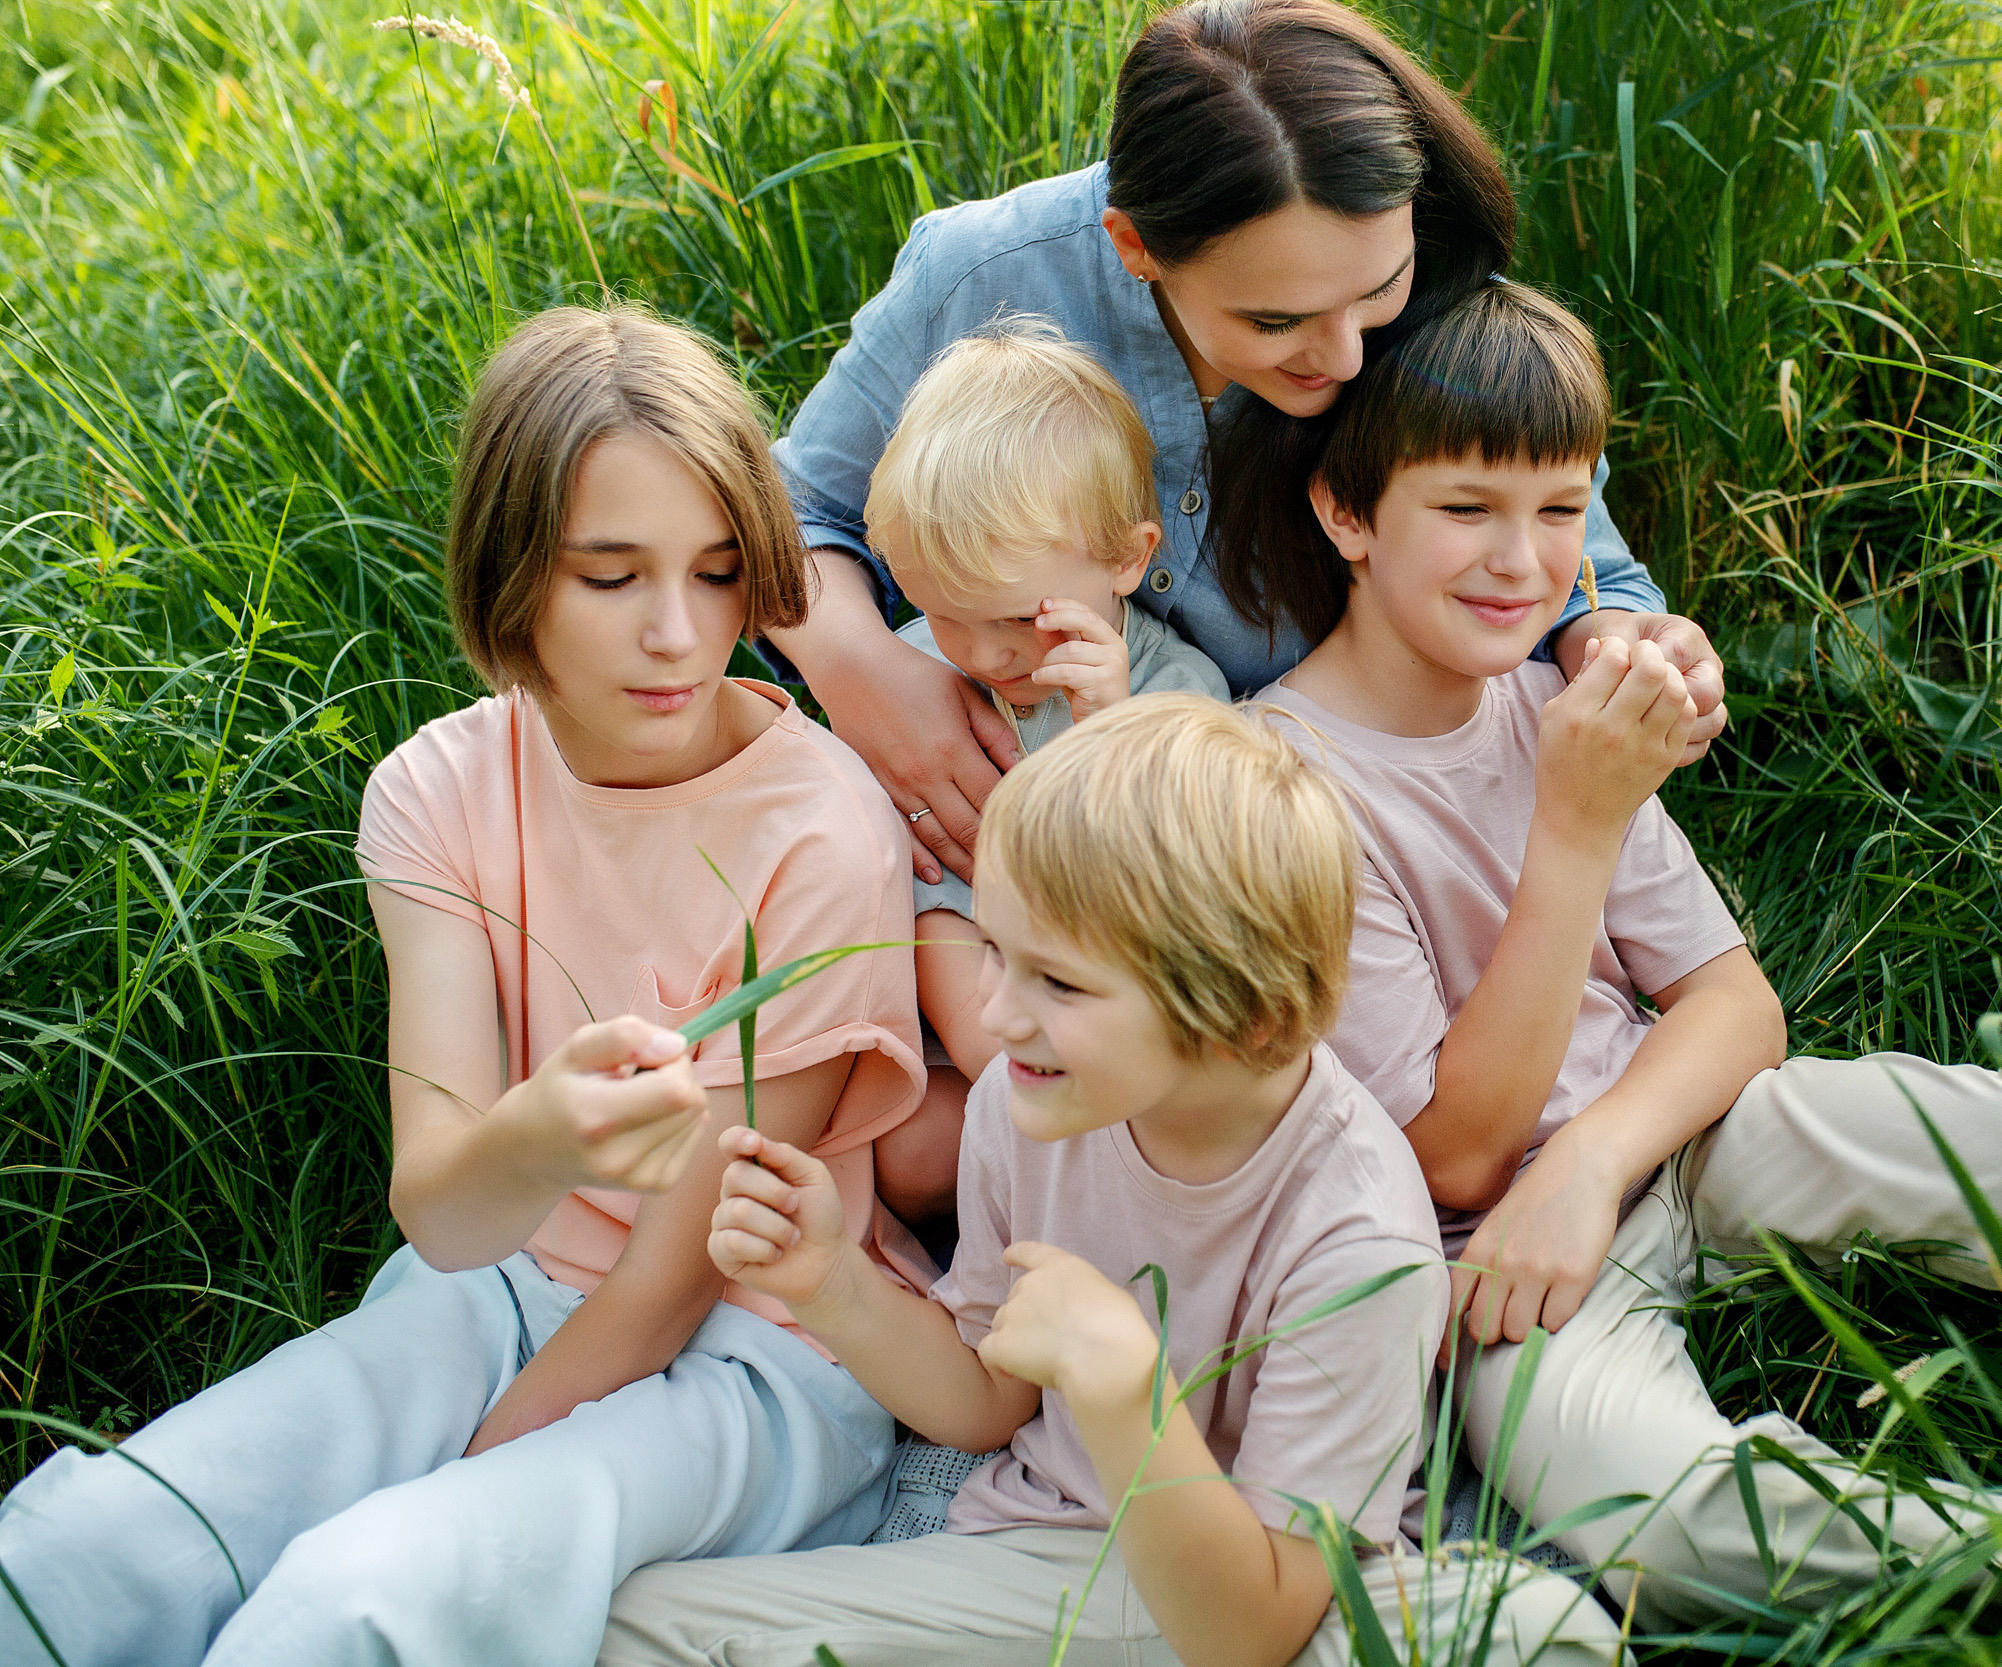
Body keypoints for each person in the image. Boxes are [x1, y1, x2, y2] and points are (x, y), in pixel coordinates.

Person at [1223, 278, 2002, 1628]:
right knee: (1643, 1506)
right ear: (1348, 512)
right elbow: (1458, 1154)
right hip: (1502, 1261)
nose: (1522, 562)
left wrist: (1598, 1154)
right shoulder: (1281, 781)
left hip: (1673, 1133)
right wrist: (1578, 831)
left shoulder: (1558, 700)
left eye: (1558, 511)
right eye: (1467, 510)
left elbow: (1734, 1000)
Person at [0, 305, 935, 1666]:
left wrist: (454, 1474)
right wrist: (545, 1133)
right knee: (84, 1544)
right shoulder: (438, 787)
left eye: (718, 571)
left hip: (765, 1358)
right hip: (498, 1284)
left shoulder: (821, 831)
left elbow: (676, 1282)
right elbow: (441, 1212)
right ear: (514, 576)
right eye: (610, 577)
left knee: (352, 1595)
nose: (679, 633)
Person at [598, 698, 1620, 1667]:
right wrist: (834, 1284)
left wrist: (1125, 1389)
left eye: (1060, 982)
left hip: (1253, 1594)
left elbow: (1255, 1627)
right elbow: (988, 1398)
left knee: (1540, 1631)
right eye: (996, 953)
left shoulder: (1360, 1239)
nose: (996, 1014)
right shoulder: (1026, 1101)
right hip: (1044, 1565)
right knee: (639, 1622)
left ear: (1250, 1016)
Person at [754, 0, 1730, 899]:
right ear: (1135, 247)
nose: (1347, 354)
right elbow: (790, 511)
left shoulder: (1440, 289)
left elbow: (1576, 567)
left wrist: (1618, 646)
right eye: (1278, 319)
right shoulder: (984, 272)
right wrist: (862, 672)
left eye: (1375, 290)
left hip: (1348, 802)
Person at [865, 317, 1228, 1086]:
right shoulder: (918, 673)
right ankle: (1001, 1076)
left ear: (1130, 557)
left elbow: (1188, 875)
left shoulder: (1174, 691)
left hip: (1110, 960)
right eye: (945, 615)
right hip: (960, 941)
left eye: (1017, 618)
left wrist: (1108, 730)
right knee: (930, 912)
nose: (986, 655)